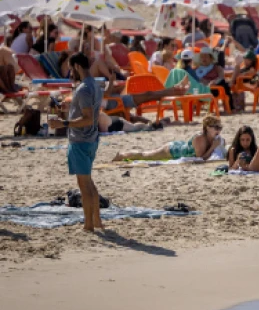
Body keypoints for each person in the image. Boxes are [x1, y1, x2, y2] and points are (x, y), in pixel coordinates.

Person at [48, 53, 103, 232]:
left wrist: (63, 123)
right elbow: (88, 112)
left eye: (72, 69)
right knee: (89, 182)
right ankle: (97, 221)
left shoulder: (84, 89)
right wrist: (70, 109)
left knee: (84, 185)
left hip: (81, 141)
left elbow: (87, 118)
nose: (71, 73)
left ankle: (88, 225)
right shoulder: (94, 85)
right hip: (91, 139)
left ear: (77, 66)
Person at [112, 114, 225, 161]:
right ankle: (122, 155)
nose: (219, 130)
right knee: (145, 155)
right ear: (207, 128)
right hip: (172, 151)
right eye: (216, 127)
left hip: (181, 147)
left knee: (146, 155)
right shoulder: (200, 138)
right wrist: (213, 147)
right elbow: (200, 159)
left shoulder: (213, 137)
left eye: (220, 127)